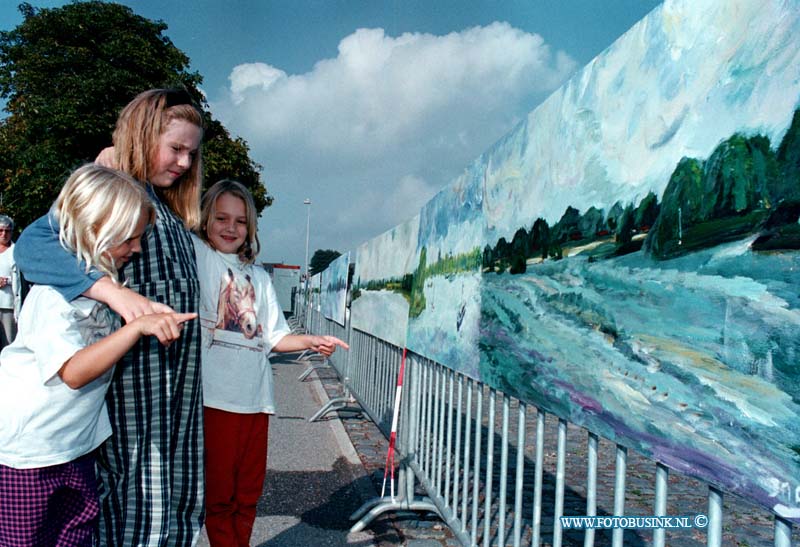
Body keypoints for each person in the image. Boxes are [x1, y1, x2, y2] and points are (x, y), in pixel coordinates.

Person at [14, 88, 205, 546]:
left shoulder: (171, 211)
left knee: (174, 502)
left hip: (176, 396)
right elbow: (32, 245)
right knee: (138, 504)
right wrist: (112, 293)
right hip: (136, 394)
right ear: (139, 136)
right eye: (175, 148)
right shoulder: (115, 194)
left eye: (191, 153)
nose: (183, 162)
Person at [193, 180, 348, 547]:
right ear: (204, 220)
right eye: (221, 218)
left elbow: (275, 337)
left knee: (248, 496)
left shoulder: (259, 277)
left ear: (251, 228)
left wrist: (310, 341)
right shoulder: (199, 256)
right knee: (219, 498)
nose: (231, 228)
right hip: (216, 402)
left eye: (240, 221)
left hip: (257, 402)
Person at [0, 214, 19, 349]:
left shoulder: (16, 251)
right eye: (0, 230)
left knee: (9, 343)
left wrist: (7, 281)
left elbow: (22, 280)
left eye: (7, 231)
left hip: (9, 305)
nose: (4, 234)